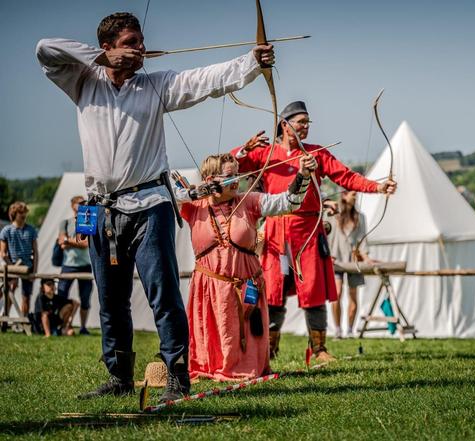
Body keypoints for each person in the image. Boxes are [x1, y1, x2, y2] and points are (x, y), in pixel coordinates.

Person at [36, 12, 274, 401]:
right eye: (130, 42)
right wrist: (99, 61)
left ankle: (177, 377)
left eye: (142, 41)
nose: (140, 49)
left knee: (162, 293)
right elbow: (44, 49)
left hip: (150, 205)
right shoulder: (81, 81)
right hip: (103, 210)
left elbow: (206, 81)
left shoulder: (157, 84)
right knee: (111, 300)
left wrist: (251, 62)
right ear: (108, 46)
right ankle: (119, 377)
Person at [231, 101, 397, 362]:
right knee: (273, 291)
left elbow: (346, 177)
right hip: (276, 231)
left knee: (313, 291)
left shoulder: (316, 154)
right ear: (285, 126)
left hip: (307, 230)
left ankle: (319, 349)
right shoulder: (265, 154)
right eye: (301, 122)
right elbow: (229, 168)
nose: (306, 127)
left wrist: (377, 187)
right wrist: (243, 149)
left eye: (308, 123)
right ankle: (269, 348)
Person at [179, 153, 316, 381]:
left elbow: (288, 202)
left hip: (244, 287)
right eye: (230, 176)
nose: (237, 181)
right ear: (212, 178)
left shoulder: (249, 201)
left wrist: (303, 175)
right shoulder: (193, 206)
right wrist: (196, 192)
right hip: (208, 288)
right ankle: (209, 366)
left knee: (242, 334)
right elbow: (165, 198)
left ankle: (243, 367)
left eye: (238, 175)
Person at [327, 190, 371, 339]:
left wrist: (366, 258)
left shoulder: (360, 217)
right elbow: (325, 233)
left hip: (354, 261)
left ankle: (351, 329)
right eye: (353, 194)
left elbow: (362, 240)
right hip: (336, 260)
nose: (355, 197)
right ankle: (338, 330)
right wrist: (327, 254)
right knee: (337, 293)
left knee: (353, 295)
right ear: (344, 194)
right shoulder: (333, 214)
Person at [57, 196, 93, 335]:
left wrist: (68, 241)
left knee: (85, 298)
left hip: (85, 265)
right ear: (73, 205)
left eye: (84, 202)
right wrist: (69, 241)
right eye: (80, 203)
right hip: (68, 265)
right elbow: (61, 243)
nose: (83, 205)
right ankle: (63, 325)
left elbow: (85, 244)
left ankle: (83, 327)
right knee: (62, 297)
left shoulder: (88, 220)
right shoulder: (65, 222)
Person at [0, 202, 39, 316]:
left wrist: (35, 271)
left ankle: (23, 322)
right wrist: (12, 266)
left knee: (26, 297)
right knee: (9, 292)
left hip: (28, 267)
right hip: (12, 267)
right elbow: (3, 253)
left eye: (25, 212)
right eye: (21, 212)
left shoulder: (31, 230)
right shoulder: (6, 230)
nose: (24, 215)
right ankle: (5, 319)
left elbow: (35, 252)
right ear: (14, 213)